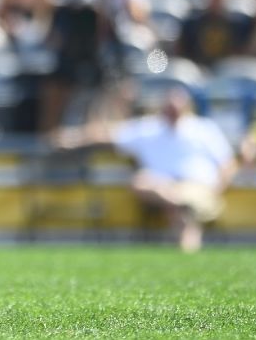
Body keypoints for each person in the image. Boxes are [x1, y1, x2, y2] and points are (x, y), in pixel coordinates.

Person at [53, 89, 239, 252]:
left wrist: (216, 190)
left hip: (197, 186)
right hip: (161, 186)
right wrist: (73, 138)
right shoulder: (149, 128)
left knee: (177, 207)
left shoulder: (204, 129)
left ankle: (184, 229)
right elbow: (107, 134)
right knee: (143, 182)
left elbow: (228, 164)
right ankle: (180, 212)